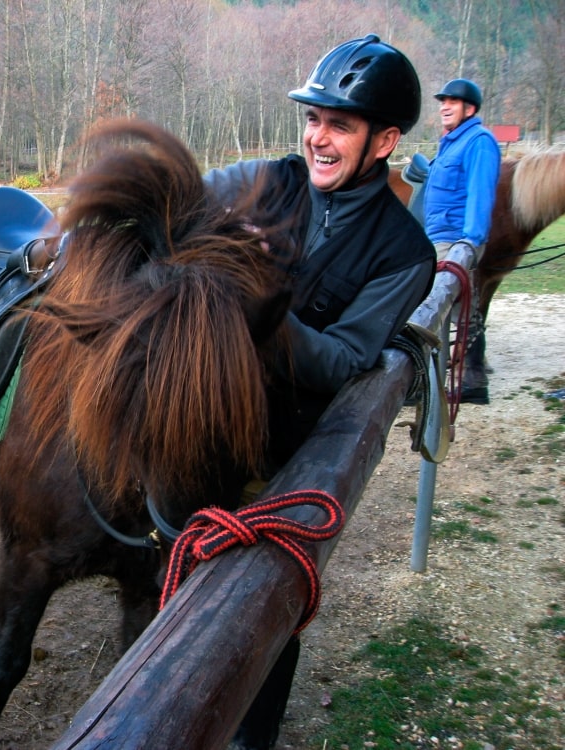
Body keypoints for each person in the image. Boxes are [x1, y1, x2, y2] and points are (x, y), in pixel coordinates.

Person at [202, 34, 436, 749]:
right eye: (312, 119)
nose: (318, 137)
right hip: (203, 424)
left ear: (385, 140)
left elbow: (342, 359)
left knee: (266, 608)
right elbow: (182, 191)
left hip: (279, 457)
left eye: (339, 124)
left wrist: (264, 302)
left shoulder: (406, 254)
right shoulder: (267, 179)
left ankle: (253, 736)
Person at [422, 78, 501, 404]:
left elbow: (480, 193)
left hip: (455, 240)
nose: (444, 106)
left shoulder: (479, 142)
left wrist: (468, 243)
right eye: (443, 101)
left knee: (436, 308)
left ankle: (456, 381)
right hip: (439, 237)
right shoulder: (451, 142)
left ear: (470, 108)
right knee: (457, 311)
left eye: (452, 102)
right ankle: (470, 380)